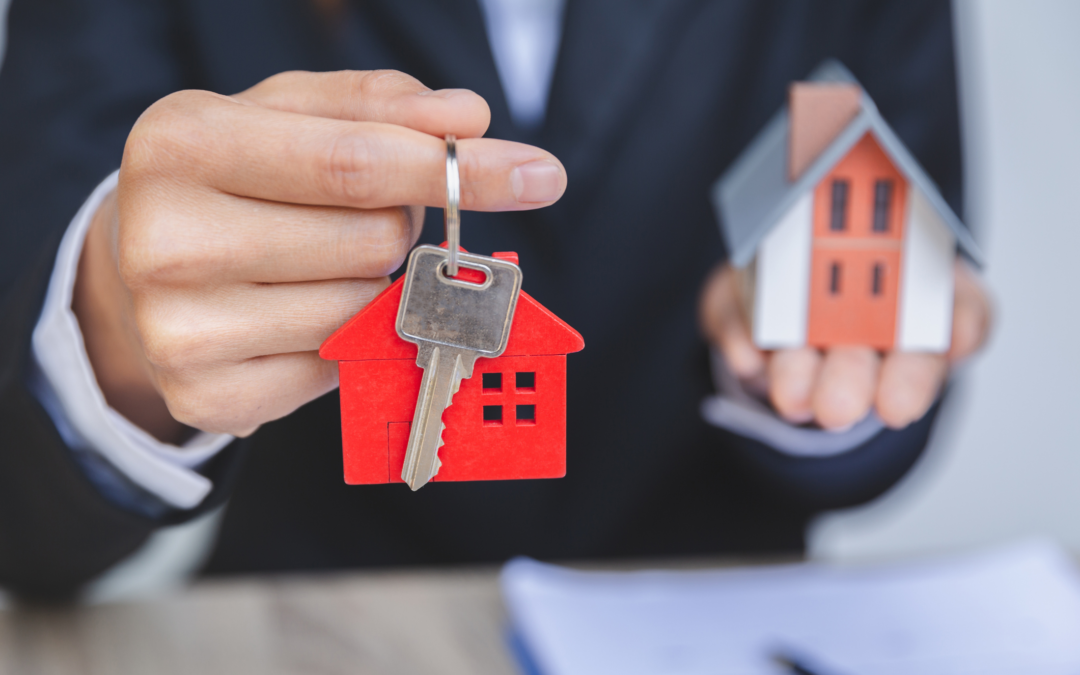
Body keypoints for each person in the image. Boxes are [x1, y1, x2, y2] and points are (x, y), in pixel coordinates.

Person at [0, 0, 990, 600]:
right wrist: (109, 348)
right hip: (318, 627)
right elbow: (24, 528)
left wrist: (799, 373)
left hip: (708, 618)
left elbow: (895, 362)